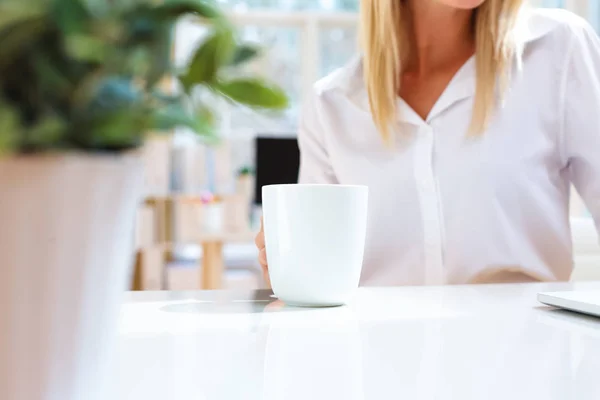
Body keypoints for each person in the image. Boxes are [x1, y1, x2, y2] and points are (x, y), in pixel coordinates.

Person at [255, 0, 600, 286]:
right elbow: (314, 280)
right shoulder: (332, 105)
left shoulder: (559, 50)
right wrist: (286, 265)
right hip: (375, 363)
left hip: (531, 361)